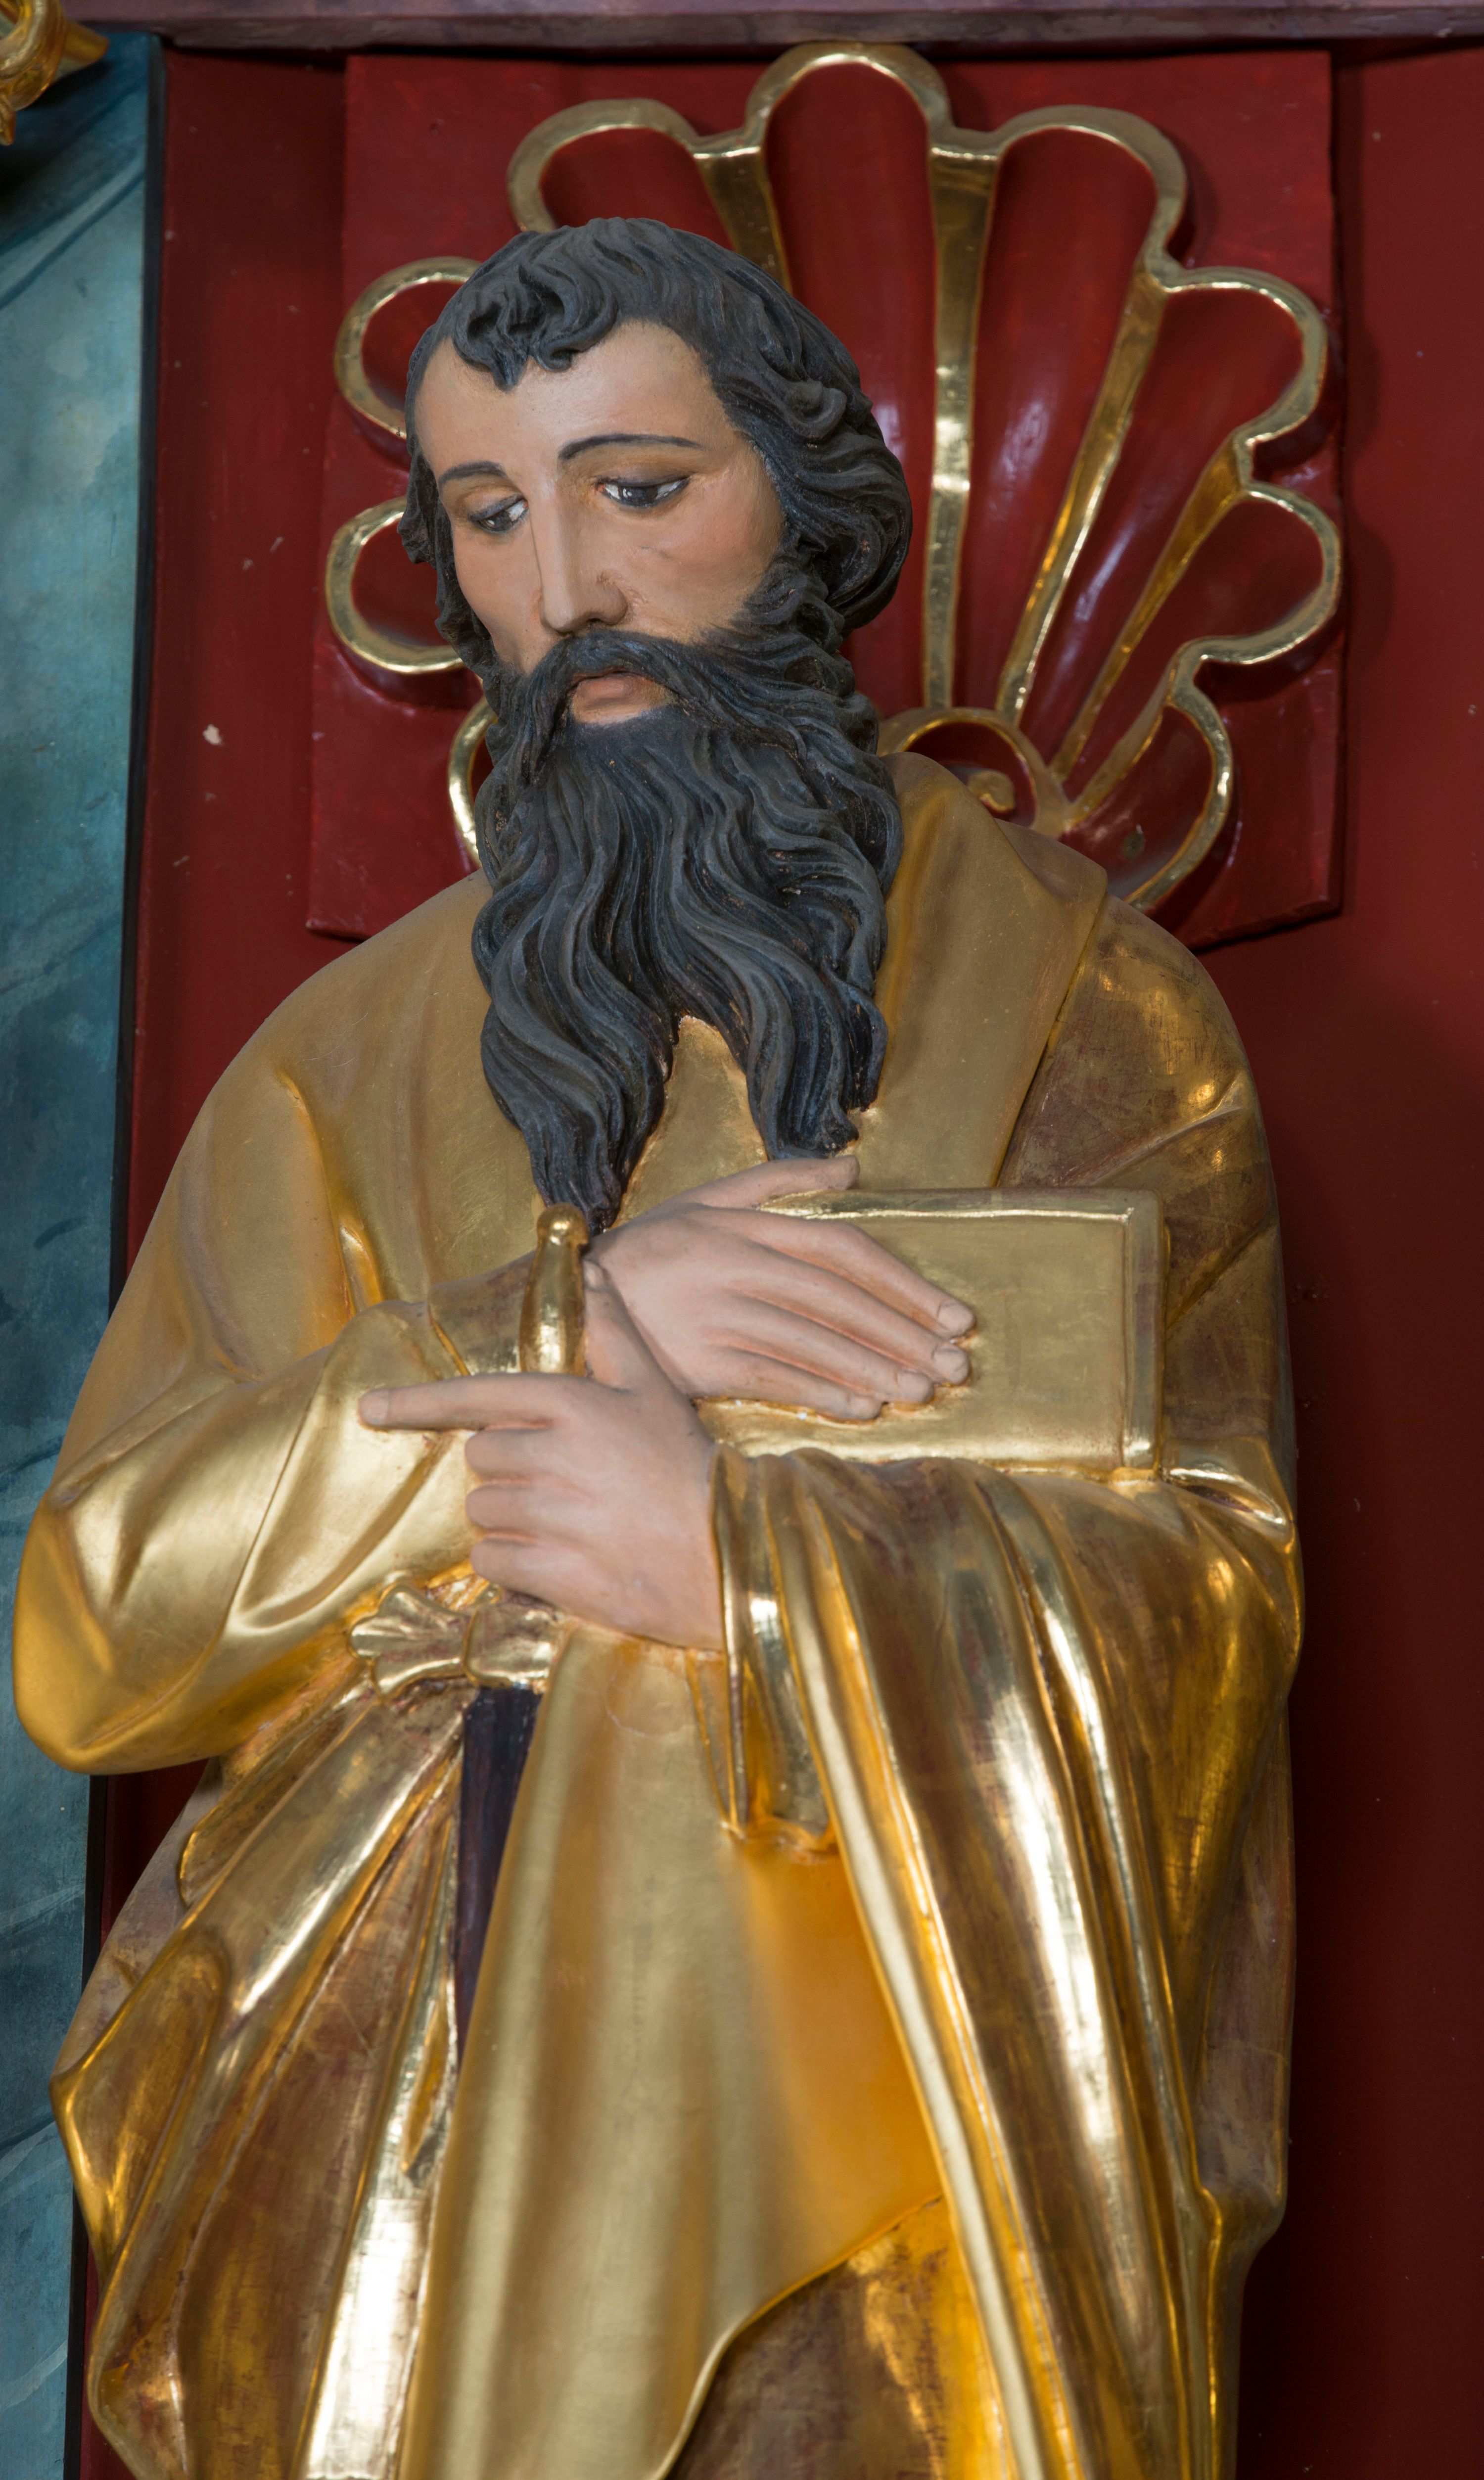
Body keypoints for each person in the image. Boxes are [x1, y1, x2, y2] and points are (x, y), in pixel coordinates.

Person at [14, 218, 1299, 2480]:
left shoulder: (1081, 1013)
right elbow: (93, 1633)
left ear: (805, 498)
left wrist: (745, 1577)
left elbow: (1206, 1598)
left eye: (637, 488)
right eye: (489, 515)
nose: (567, 590)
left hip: (880, 2136)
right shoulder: (344, 1059)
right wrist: (569, 1333)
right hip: (393, 2139)